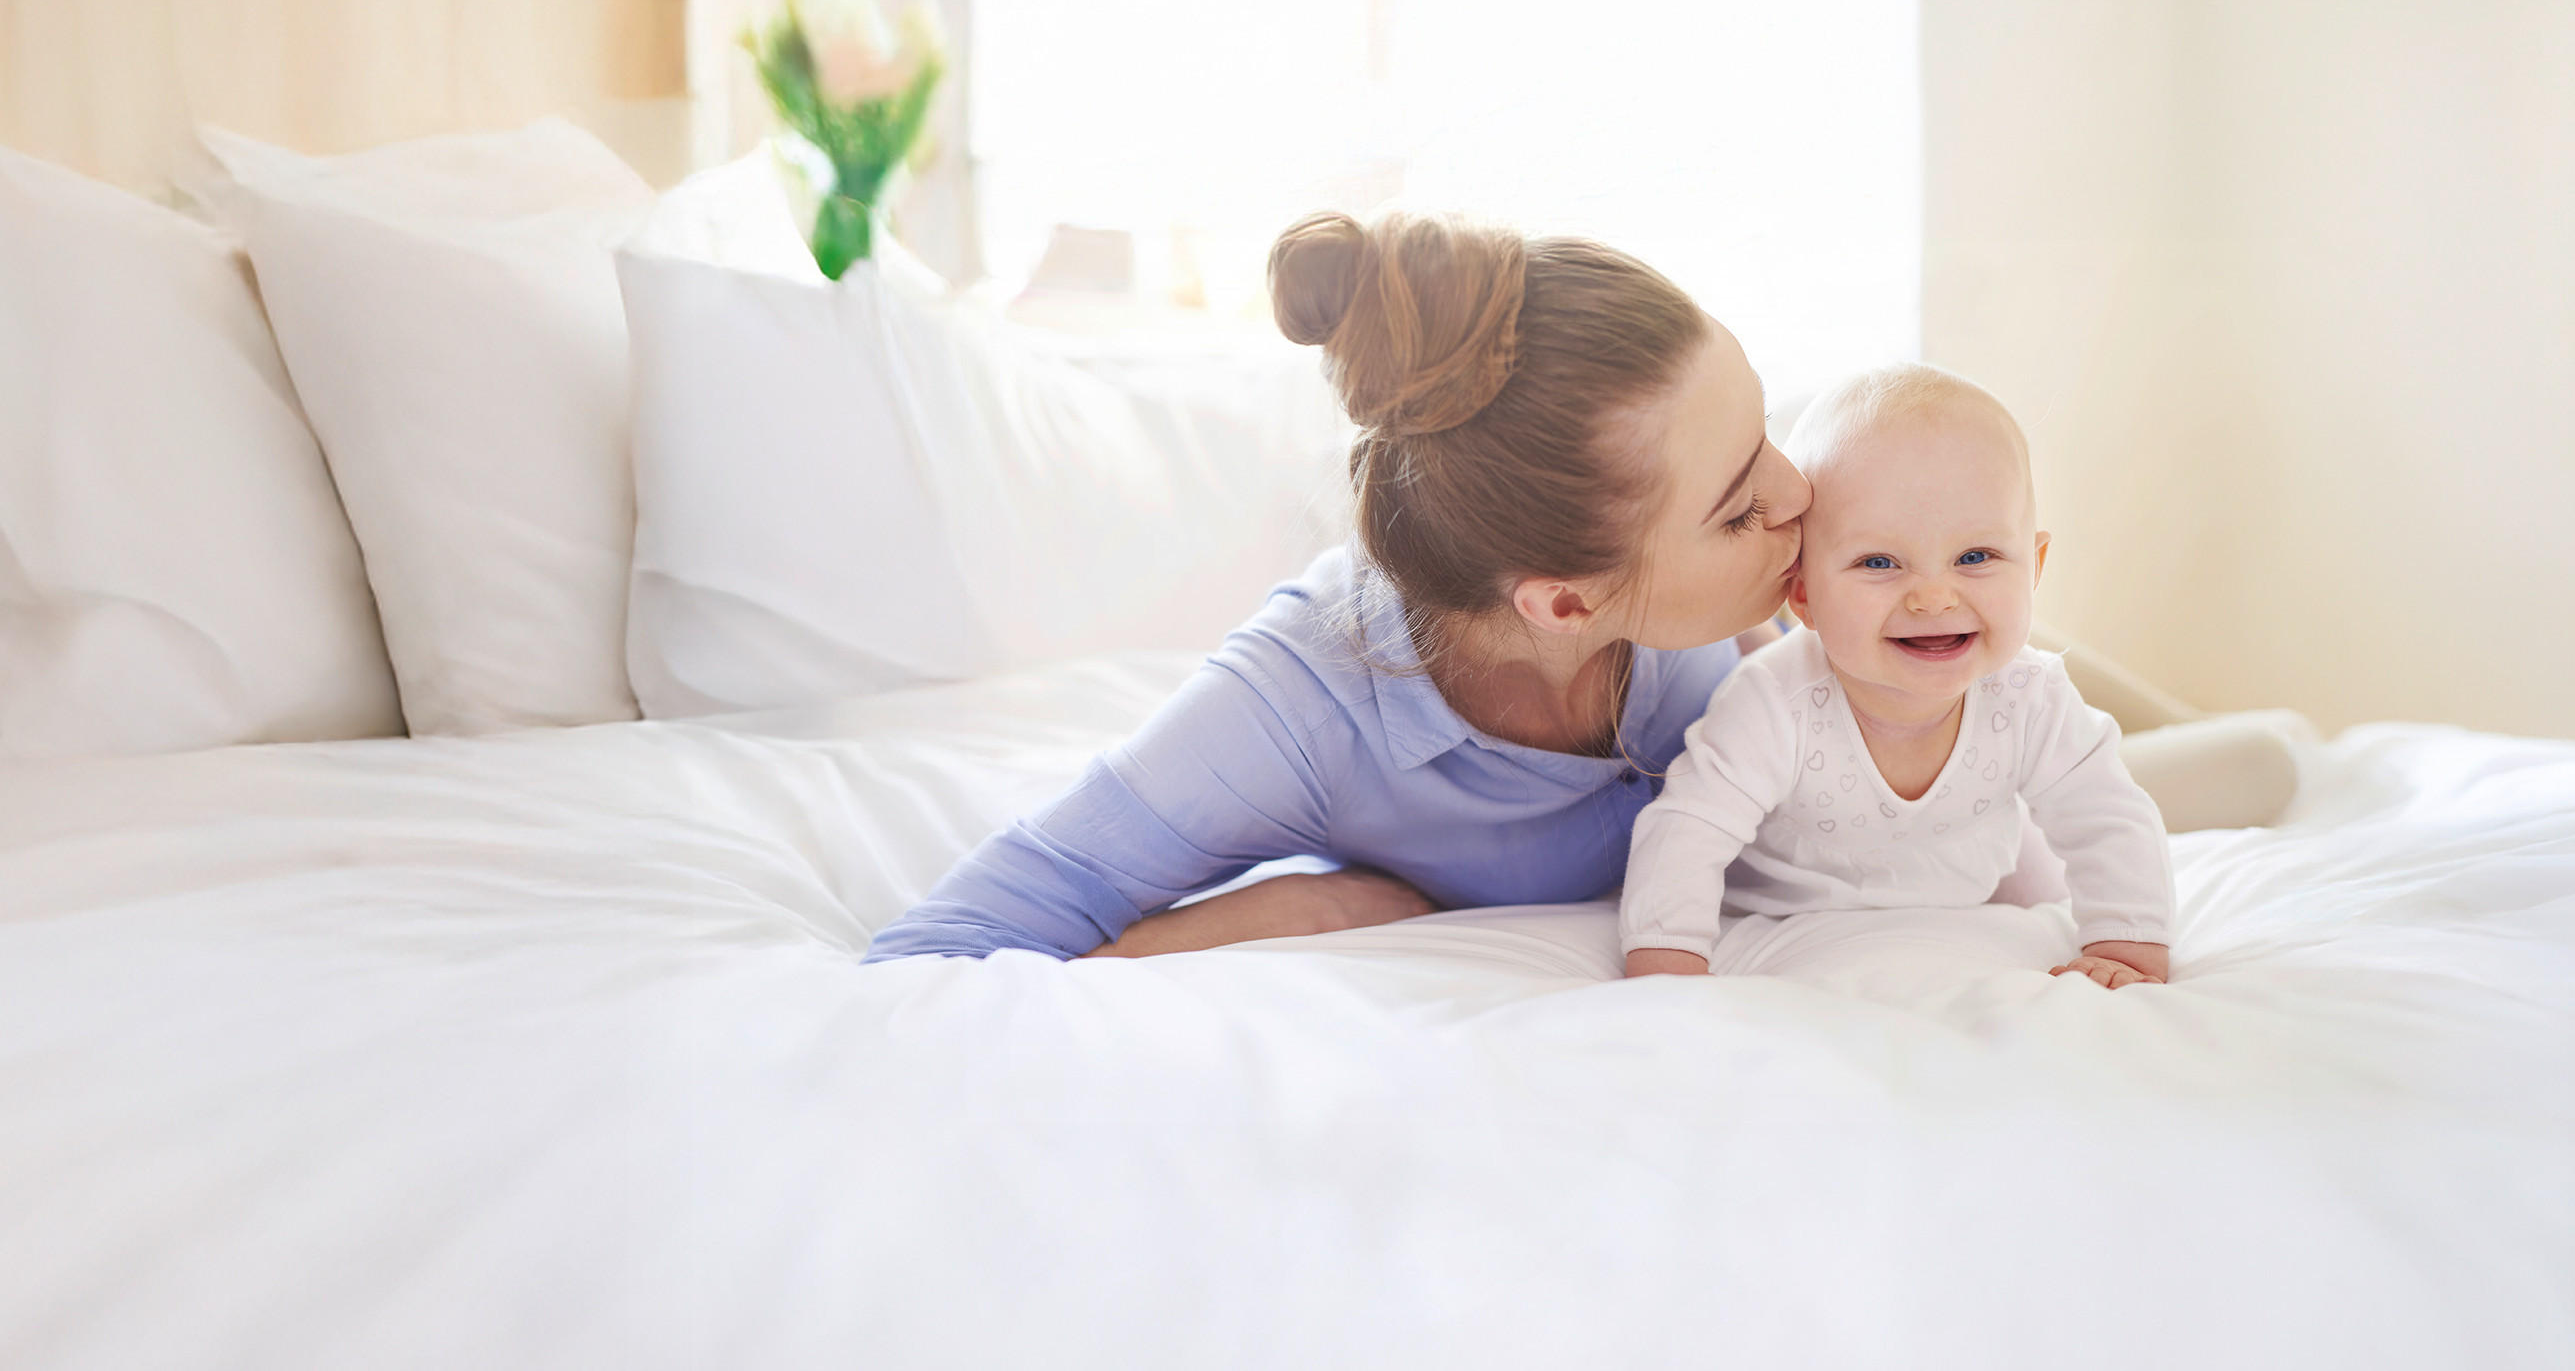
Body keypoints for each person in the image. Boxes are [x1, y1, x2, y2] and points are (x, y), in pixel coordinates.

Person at [865, 211, 2288, 963]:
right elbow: (953, 939)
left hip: (1932, 732)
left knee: (2243, 760)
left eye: (1767, 432)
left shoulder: (1732, 596)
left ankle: (2263, 746)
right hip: (1860, 779)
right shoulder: (1295, 713)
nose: (1796, 495)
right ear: (1564, 602)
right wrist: (1297, 912)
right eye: (1737, 503)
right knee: (2234, 763)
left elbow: (1947, 639)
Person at [1619, 364, 2174, 986]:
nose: (1933, 597)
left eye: (1976, 556)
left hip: (1973, 882)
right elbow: (1690, 827)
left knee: (2043, 864)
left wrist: (2127, 946)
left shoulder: (2030, 696)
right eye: (1879, 562)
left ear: (2034, 566)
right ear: (1802, 593)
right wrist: (1668, 965)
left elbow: (2107, 817)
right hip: (1791, 917)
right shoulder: (1775, 701)